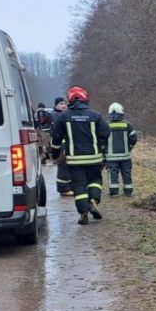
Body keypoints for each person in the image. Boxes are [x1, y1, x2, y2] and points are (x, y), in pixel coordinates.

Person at [49, 87, 110, 225]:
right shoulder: (95, 115)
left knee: (79, 185)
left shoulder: (63, 116)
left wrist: (55, 154)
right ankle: (94, 200)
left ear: (70, 100)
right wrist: (100, 145)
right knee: (95, 180)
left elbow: (56, 138)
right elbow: (106, 132)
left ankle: (83, 212)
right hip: (94, 158)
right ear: (85, 98)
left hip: (74, 160)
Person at [105, 102, 138, 196]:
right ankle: (128, 192)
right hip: (125, 156)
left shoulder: (106, 126)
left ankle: (114, 192)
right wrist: (129, 148)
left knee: (113, 174)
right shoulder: (127, 125)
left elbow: (101, 140)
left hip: (111, 157)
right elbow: (134, 139)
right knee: (126, 173)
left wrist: (104, 152)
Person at [51, 96, 73, 195]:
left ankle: (68, 186)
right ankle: (64, 189)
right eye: (61, 104)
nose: (64, 105)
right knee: (63, 165)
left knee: (68, 165)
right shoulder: (56, 115)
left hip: (66, 144)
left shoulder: (64, 115)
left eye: (65, 103)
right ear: (56, 105)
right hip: (60, 145)